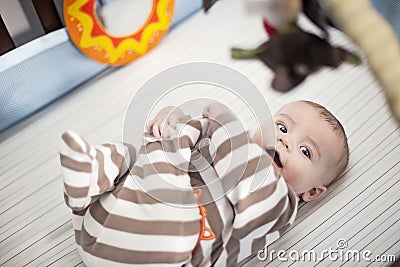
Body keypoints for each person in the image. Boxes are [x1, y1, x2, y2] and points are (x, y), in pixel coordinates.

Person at [60, 100, 348, 266]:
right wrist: (175, 122)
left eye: (305, 151)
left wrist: (219, 122)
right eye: (282, 127)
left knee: (169, 182)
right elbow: (184, 147)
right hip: (94, 226)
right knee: (132, 154)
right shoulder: (224, 141)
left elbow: (247, 174)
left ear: (312, 192)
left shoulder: (281, 205)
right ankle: (90, 175)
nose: (285, 140)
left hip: (161, 251)